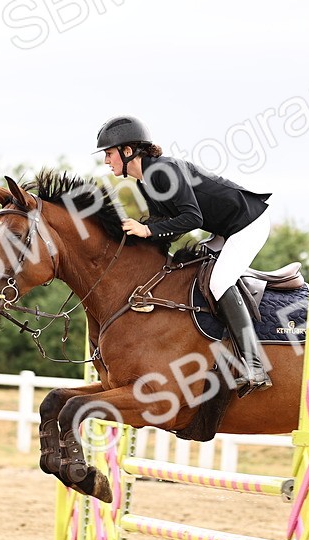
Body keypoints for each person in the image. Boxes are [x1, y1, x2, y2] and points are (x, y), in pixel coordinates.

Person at [95, 115, 273, 396]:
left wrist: (146, 230)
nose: (106, 161)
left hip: (247, 224)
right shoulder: (145, 182)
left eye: (109, 153)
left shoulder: (163, 172)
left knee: (219, 282)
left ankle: (255, 366)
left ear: (128, 151)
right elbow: (163, 225)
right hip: (223, 229)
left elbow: (191, 218)